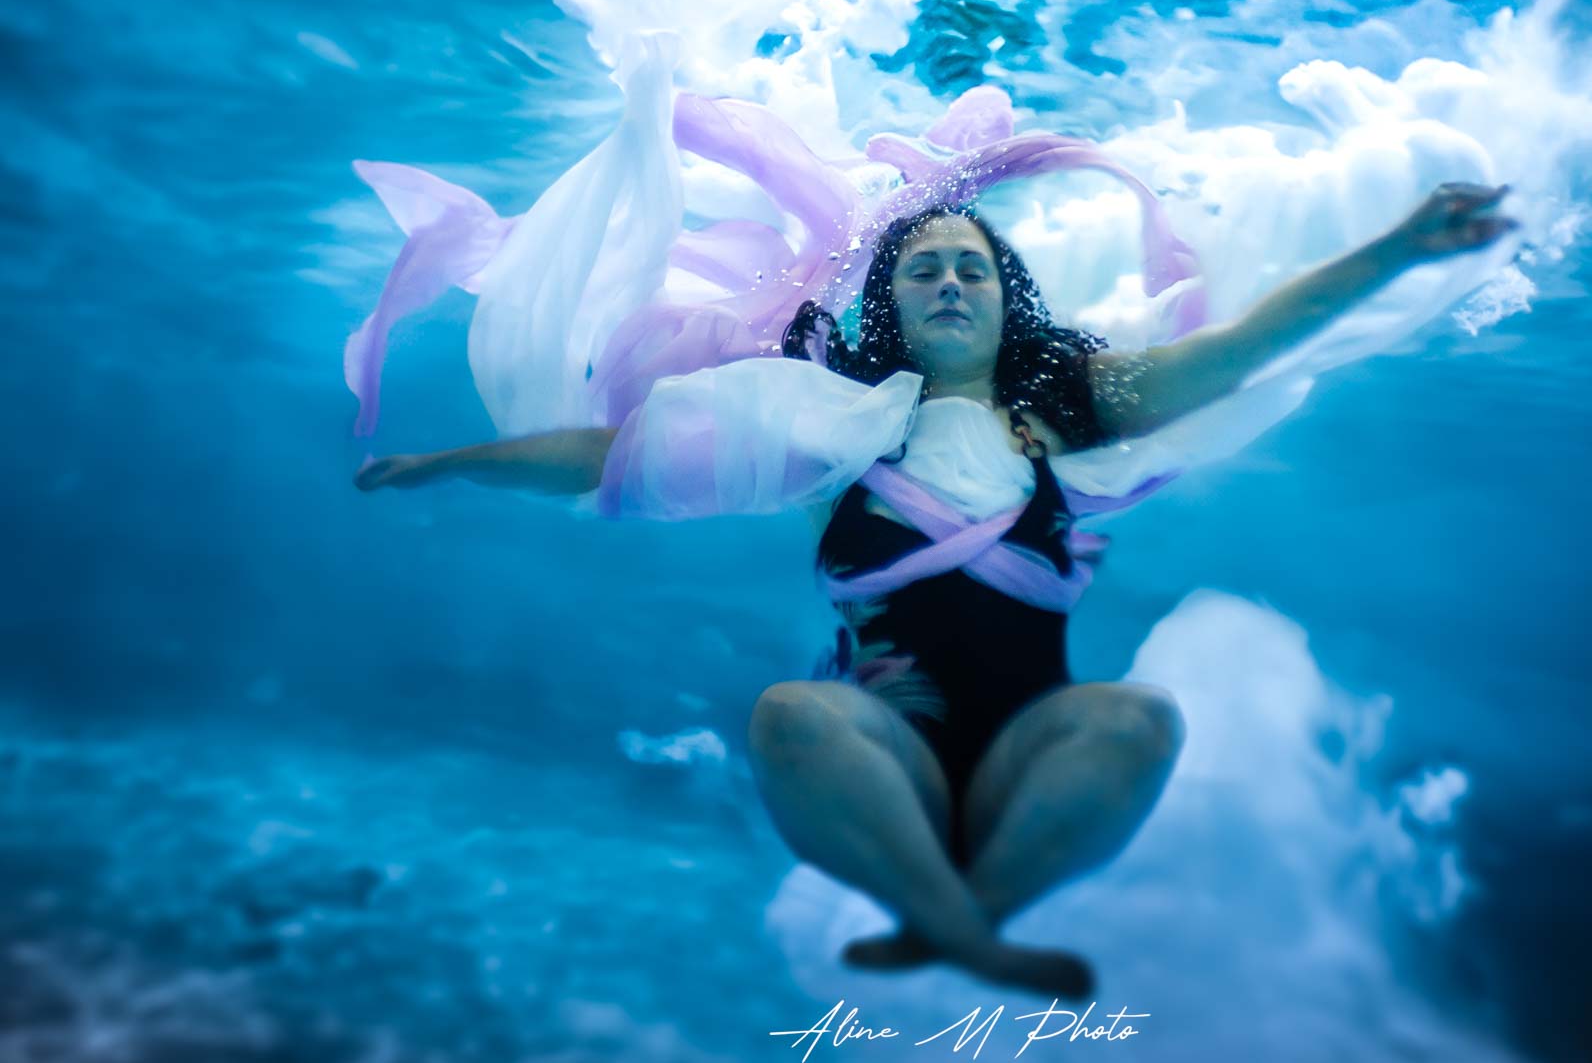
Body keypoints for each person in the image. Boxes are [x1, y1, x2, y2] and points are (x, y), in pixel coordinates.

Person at [355, 179, 1515, 998]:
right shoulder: (828, 424)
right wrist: (450, 463)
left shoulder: (1081, 407)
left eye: (973, 264)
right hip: (878, 753)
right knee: (788, 712)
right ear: (890, 305)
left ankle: (965, 919)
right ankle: (968, 934)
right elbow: (614, 455)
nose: (951, 278)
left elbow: (1253, 343)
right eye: (924, 268)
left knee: (1141, 714)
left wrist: (1400, 249)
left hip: (1030, 756)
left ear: (1008, 296)